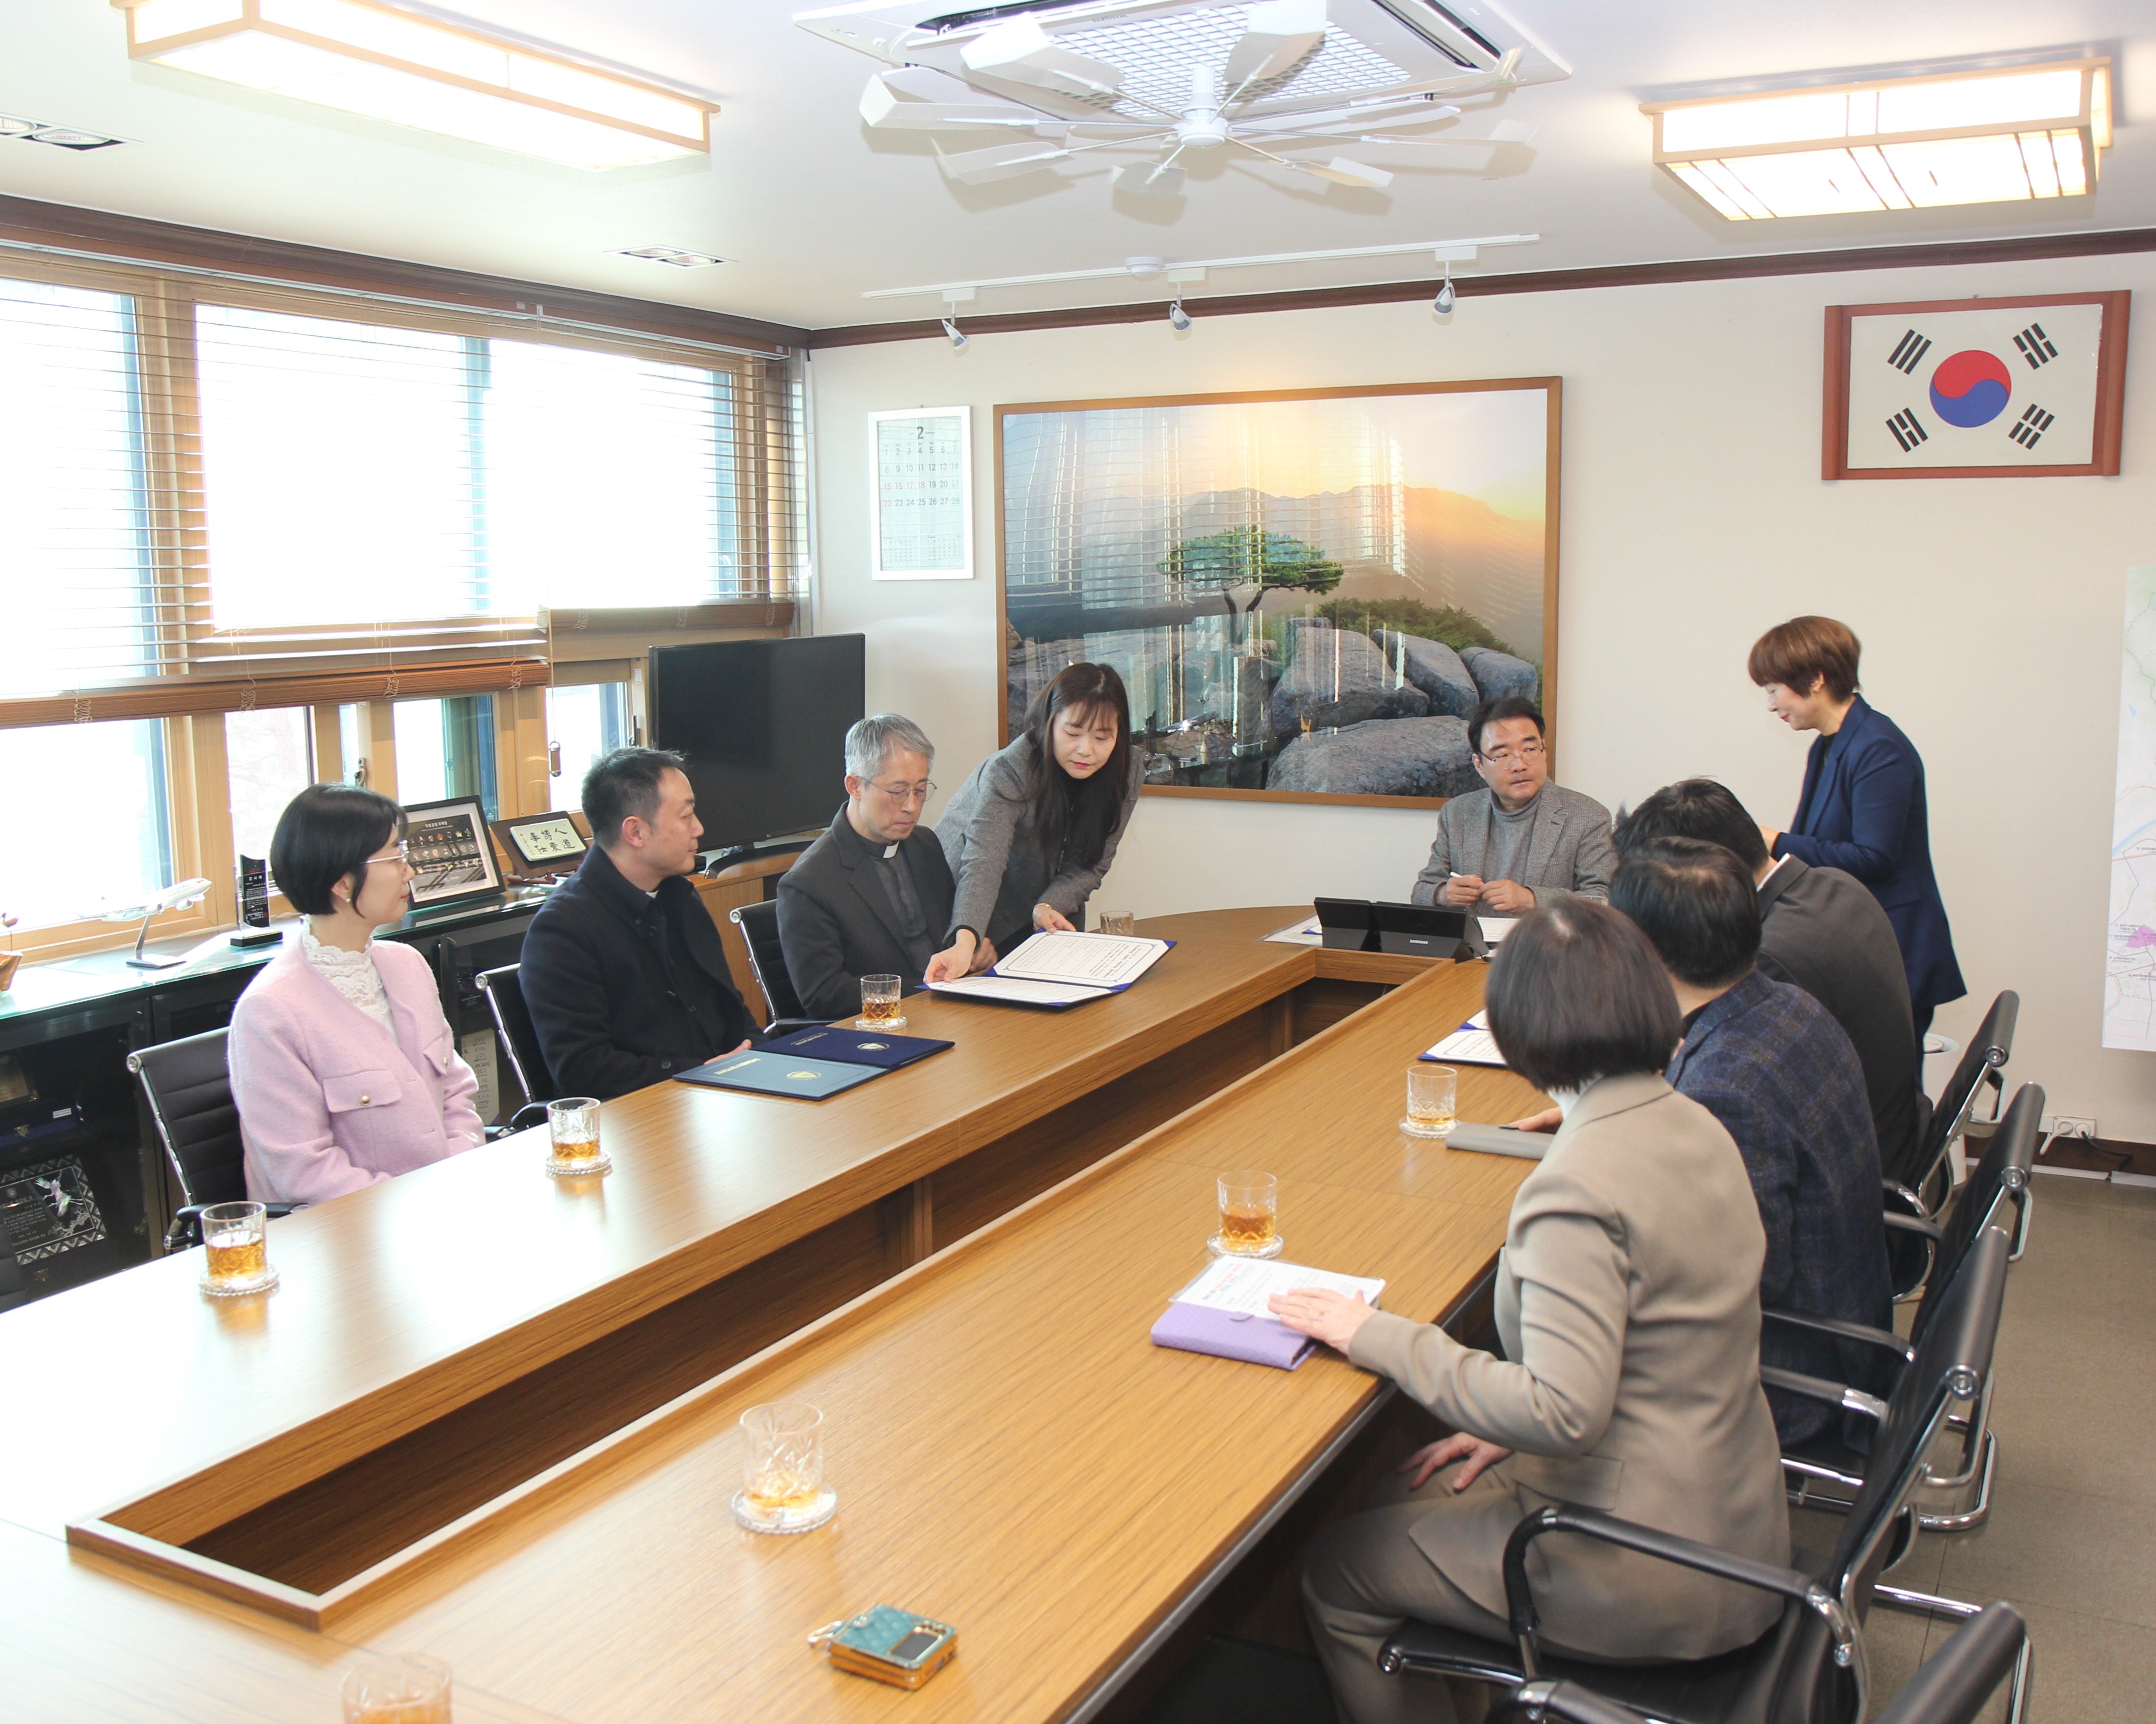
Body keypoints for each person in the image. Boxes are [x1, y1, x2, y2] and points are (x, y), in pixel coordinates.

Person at [1270, 902, 1789, 1724]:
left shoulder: (1573, 1186)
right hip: (1734, 1518)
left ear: (1517, 1034)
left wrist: (1370, 1332)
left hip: (1642, 1564)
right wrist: (1514, 1417)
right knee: (1397, 1493)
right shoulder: (1696, 1119)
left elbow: (1563, 1409)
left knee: (1337, 1571)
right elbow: (1655, 1340)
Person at [1605, 839, 1893, 1447]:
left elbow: (1724, 1288)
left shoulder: (1728, 1092)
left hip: (1781, 1375)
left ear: (1643, 953)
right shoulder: (1785, 1007)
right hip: (1841, 1324)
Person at [1614, 778, 1924, 1183]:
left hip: (1846, 1175)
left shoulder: (1768, 957)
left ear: (1705, 872)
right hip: (1890, 1134)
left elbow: (1706, 1074)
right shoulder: (1835, 884)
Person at [229, 784, 483, 1206]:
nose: (411, 872)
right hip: (347, 1238)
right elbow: (303, 1172)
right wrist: (416, 1202)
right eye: (395, 858)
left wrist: (458, 1169)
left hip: (447, 1204)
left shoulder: (406, 965)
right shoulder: (271, 1012)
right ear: (343, 882)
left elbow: (456, 1090)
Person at [1749, 615, 1964, 1041]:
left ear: (1814, 680)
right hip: (1855, 942)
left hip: (1891, 948)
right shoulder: (1829, 745)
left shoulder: (1877, 747)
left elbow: (1873, 858)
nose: (1772, 705)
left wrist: (1773, 841)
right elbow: (1816, 849)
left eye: (1774, 690)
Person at [521, 747, 755, 1100]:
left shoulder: (680, 898)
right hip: (641, 1121)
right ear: (635, 832)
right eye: (686, 816)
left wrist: (761, 1057)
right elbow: (583, 1071)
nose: (699, 829)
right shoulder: (562, 931)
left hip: (720, 1098)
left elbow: (732, 1012)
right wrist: (701, 1073)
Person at [929, 662, 1143, 979]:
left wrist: (1047, 906)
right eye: (1072, 733)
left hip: (1047, 908)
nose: (1087, 750)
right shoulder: (1009, 770)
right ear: (1049, 723)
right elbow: (983, 862)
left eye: (1102, 737)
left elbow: (1091, 862)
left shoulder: (1127, 769)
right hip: (966, 901)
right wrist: (968, 936)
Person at [777, 713, 990, 1020]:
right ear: (855, 786)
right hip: (880, 1029)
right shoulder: (809, 883)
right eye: (897, 792)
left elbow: (946, 932)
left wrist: (969, 951)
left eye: (920, 790)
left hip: (952, 1011)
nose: (912, 806)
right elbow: (825, 996)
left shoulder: (923, 845)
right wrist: (928, 988)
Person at [1409, 694, 1615, 914]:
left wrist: (1533, 899)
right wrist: (1442, 894)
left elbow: (1603, 899)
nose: (1520, 765)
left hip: (1546, 945)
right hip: (1471, 947)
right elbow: (1422, 891)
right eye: (1503, 754)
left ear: (1543, 750)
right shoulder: (1458, 813)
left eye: (1530, 750)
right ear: (1479, 765)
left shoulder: (1587, 816)